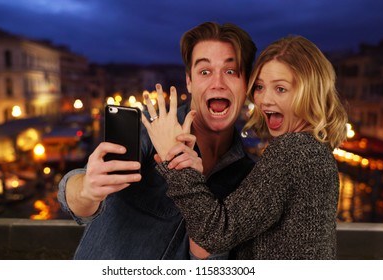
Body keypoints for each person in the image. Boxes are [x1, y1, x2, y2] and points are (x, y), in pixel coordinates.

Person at [57, 22, 257, 259]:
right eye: (205, 71)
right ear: (189, 81)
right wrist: (88, 189)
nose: (218, 83)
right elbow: (76, 201)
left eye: (231, 71)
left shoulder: (250, 178)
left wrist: (187, 181)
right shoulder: (147, 129)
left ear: (247, 85)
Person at [142, 35, 348, 259]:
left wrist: (174, 158)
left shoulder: (292, 151)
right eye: (259, 87)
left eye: (280, 89)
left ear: (309, 91)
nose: (265, 100)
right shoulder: (316, 151)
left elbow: (213, 235)